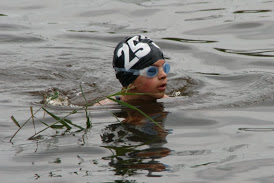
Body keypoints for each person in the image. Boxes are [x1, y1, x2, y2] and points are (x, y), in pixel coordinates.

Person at [96, 35, 170, 105]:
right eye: (152, 71)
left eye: (164, 68)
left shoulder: (168, 101)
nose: (163, 75)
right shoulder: (105, 106)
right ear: (131, 83)